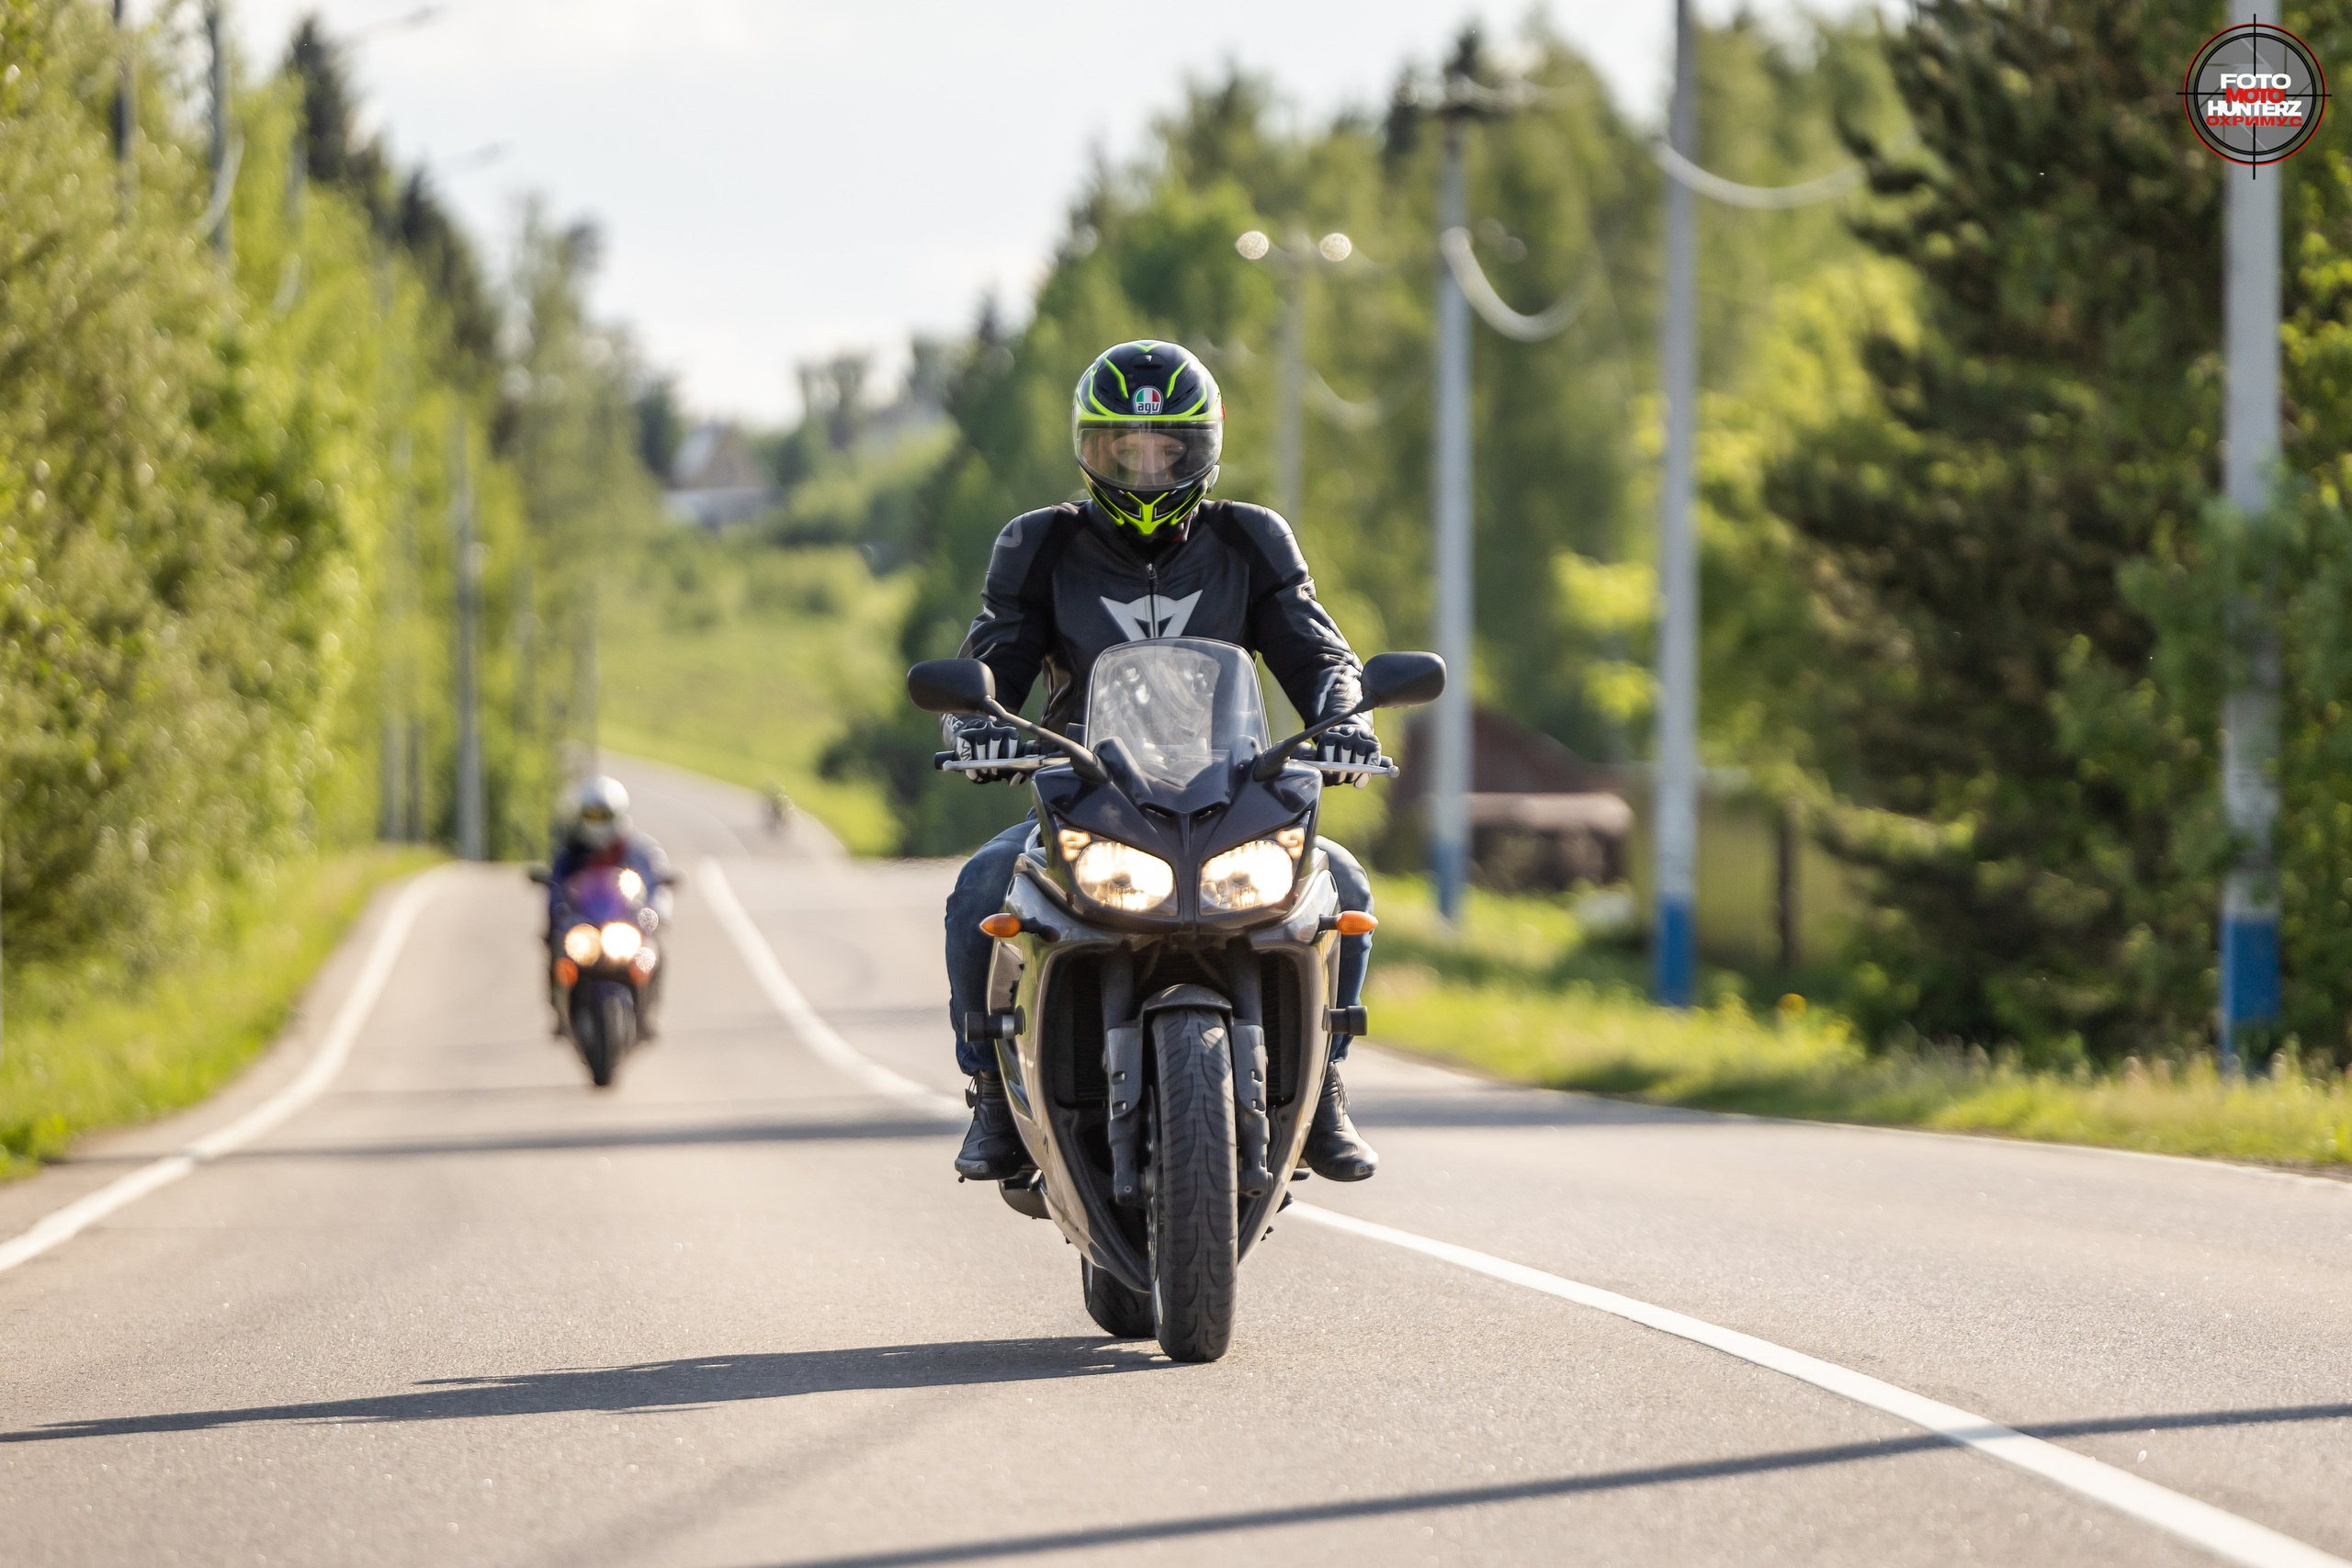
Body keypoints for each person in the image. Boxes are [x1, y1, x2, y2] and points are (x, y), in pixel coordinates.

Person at [942, 339, 1384, 1187]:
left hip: (1235, 792)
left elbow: (1318, 652)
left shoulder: (1251, 539)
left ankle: (1323, 1088)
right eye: (1124, 448)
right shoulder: (1040, 545)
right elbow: (994, 655)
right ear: (1089, 449)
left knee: (1348, 889)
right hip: (1088, 795)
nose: (1145, 466)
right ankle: (991, 1100)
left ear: (1202, 450)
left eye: (1167, 448)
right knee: (977, 891)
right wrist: (976, 720)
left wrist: (1345, 720)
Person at [546, 776, 673, 1030]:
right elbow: (555, 887)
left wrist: (656, 912)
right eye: (592, 816)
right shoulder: (571, 852)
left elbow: (657, 883)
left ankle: (647, 1012)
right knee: (559, 956)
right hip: (584, 927)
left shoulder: (640, 850)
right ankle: (561, 1012)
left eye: (603, 816)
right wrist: (557, 919)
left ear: (618, 815)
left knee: (651, 953)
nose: (598, 823)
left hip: (625, 925)